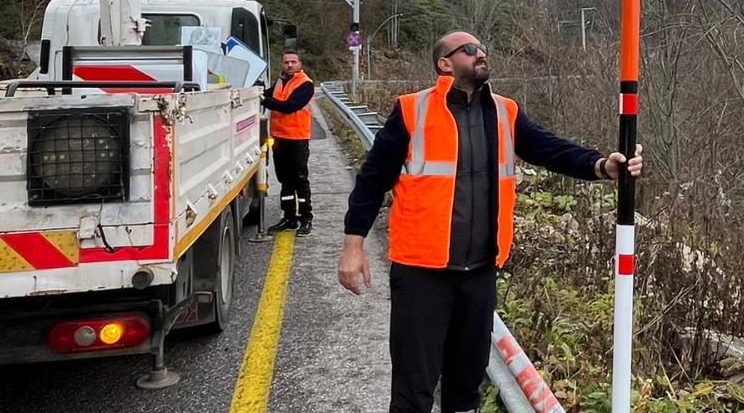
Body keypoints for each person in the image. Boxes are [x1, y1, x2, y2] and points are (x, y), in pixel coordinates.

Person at [337, 30, 644, 413]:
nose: (480, 53)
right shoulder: (412, 110)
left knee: (466, 389)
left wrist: (600, 165)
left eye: (482, 47)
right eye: (469, 50)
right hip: (421, 274)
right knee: (413, 391)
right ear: (444, 63)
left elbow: (550, 149)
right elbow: (372, 178)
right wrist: (353, 245)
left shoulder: (504, 112)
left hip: (479, 274)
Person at [262, 49, 315, 237]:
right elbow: (266, 95)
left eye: (293, 62)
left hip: (297, 139)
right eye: (286, 62)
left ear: (300, 64)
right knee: (285, 181)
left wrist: (265, 101)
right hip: (279, 139)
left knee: (300, 180)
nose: (290, 65)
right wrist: (258, 94)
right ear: (282, 64)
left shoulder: (305, 84)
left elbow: (289, 107)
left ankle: (306, 218)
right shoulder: (279, 82)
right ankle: (289, 218)